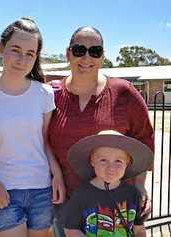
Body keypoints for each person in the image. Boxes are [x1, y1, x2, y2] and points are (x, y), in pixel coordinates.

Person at [47, 26, 154, 236]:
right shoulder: (51, 94)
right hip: (66, 202)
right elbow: (41, 140)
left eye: (94, 51)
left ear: (102, 57)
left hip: (115, 205)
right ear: (68, 54)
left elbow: (144, 140)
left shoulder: (124, 93)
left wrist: (140, 186)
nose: (87, 58)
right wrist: (56, 174)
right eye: (79, 50)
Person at [0, 17, 65, 237]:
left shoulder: (44, 94)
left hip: (41, 191)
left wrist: (57, 177)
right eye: (15, 50)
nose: (22, 60)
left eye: (30, 54)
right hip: (3, 192)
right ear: (1, 47)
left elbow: (44, 141)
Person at [63, 130, 154, 237]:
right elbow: (71, 230)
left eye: (118, 161)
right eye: (103, 160)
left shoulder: (133, 194)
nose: (111, 168)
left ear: (127, 163)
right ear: (92, 161)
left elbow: (139, 229)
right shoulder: (81, 195)